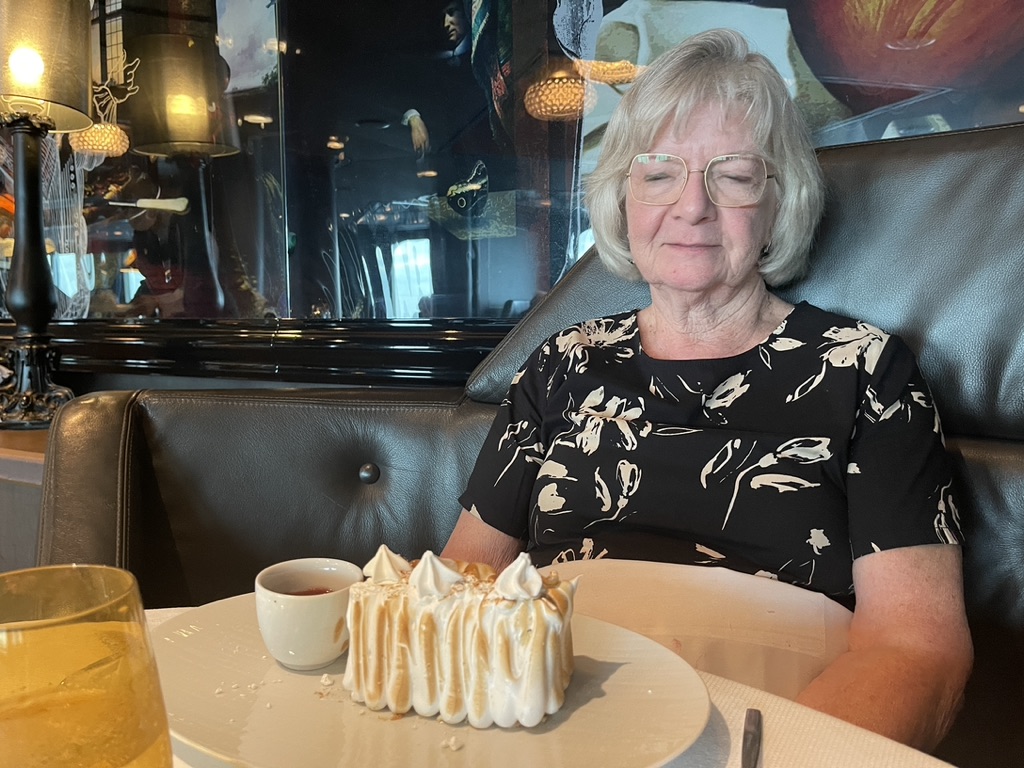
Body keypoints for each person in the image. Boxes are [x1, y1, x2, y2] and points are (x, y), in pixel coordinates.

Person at [442, 28, 972, 751]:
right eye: (659, 173)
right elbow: (465, 583)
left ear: (779, 202)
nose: (692, 206)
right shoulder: (563, 362)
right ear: (623, 200)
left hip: (770, 738)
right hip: (551, 733)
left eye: (734, 175)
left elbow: (917, 651)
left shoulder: (866, 371)